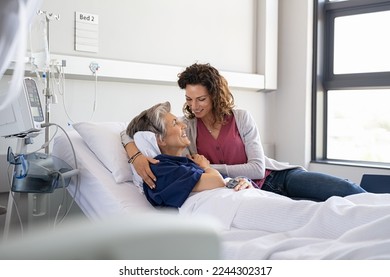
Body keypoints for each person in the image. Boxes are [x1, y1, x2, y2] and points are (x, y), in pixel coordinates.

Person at [126, 102, 390, 239]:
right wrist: (210, 171)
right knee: (312, 214)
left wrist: (233, 181)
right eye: (174, 122)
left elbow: (236, 175)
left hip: (264, 182)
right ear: (158, 138)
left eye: (201, 99)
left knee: (337, 197)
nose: (184, 120)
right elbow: (212, 182)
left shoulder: (185, 159)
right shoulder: (160, 168)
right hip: (231, 206)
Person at [121, 63, 366, 201]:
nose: (194, 107)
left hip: (276, 178)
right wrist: (136, 156)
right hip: (244, 191)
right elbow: (127, 132)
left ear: (215, 96)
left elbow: (257, 168)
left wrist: (210, 166)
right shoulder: (187, 127)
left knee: (345, 191)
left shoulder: (241, 118)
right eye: (189, 99)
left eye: (201, 99)